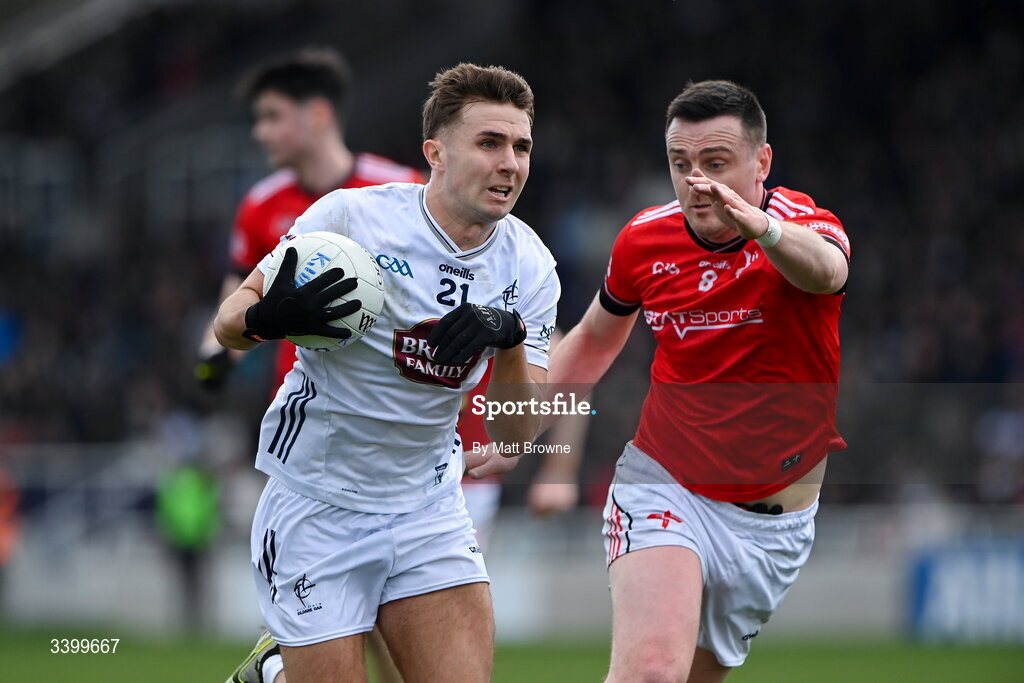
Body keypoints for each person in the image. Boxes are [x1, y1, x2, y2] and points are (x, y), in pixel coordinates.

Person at [217, 63, 557, 683]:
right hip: (317, 505)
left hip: (427, 508)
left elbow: (517, 432)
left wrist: (507, 337)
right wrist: (272, 313)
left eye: (521, 146)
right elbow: (229, 323)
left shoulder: (530, 265)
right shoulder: (351, 219)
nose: (510, 163)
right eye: (489, 143)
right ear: (436, 153)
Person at [545, 80, 849, 682]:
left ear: (762, 162)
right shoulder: (643, 239)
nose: (695, 182)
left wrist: (760, 230)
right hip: (667, 484)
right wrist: (502, 426)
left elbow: (827, 272)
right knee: (652, 672)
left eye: (715, 163)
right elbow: (592, 342)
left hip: (775, 525)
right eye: (680, 164)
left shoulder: (800, 224)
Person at [195, 47, 423, 395]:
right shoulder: (260, 205)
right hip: (301, 397)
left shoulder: (403, 191)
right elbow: (240, 290)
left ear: (318, 115)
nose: (260, 132)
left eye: (272, 117)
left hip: (389, 398)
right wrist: (216, 354)